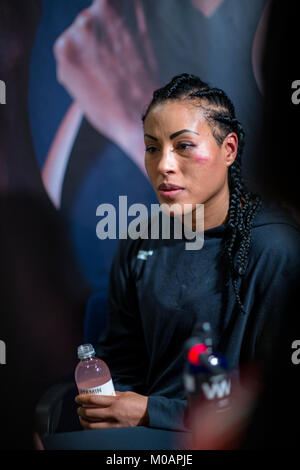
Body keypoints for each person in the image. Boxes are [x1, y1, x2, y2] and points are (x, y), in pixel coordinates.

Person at [75, 73, 300, 433]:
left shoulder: (274, 249)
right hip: (139, 435)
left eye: (183, 146)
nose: (164, 165)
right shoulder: (140, 242)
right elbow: (122, 363)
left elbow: (273, 400)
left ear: (229, 149)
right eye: (152, 147)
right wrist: (106, 407)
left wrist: (153, 412)